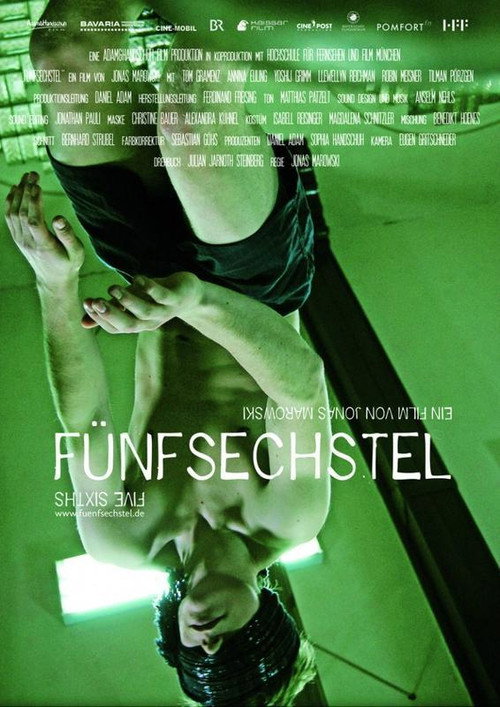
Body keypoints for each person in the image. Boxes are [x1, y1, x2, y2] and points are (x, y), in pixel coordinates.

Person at [4, 2, 332, 704]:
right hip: (257, 285)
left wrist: (54, 286)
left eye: (200, 659)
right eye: (237, 650)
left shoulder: (122, 540)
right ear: (271, 619)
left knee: (63, 55)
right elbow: (302, 385)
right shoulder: (289, 516)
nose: (210, 642)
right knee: (187, 112)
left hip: (148, 271)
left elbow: (86, 423)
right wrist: (199, 300)